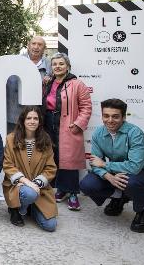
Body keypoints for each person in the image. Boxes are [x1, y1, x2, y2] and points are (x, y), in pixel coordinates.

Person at [80, 99, 144, 233]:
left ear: (123, 117)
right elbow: (95, 163)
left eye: (115, 116)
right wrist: (108, 176)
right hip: (116, 173)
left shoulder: (135, 133)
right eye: (106, 116)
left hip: (143, 174)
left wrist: (105, 164)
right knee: (87, 184)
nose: (110, 120)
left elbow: (134, 167)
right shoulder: (98, 133)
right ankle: (119, 197)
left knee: (130, 181)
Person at [42, 52, 91, 211]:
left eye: (61, 64)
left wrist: (79, 124)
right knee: (54, 156)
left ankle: (72, 193)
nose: (57, 66)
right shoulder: (48, 82)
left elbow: (86, 107)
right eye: (54, 64)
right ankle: (61, 189)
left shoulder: (77, 84)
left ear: (67, 66)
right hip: (49, 121)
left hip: (68, 124)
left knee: (68, 159)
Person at [2, 106, 57, 231]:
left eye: (35, 118)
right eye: (29, 118)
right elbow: (8, 165)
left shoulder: (45, 139)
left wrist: (36, 183)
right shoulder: (11, 139)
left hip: (39, 188)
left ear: (39, 121)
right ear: (23, 120)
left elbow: (50, 168)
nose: (32, 121)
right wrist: (26, 183)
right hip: (18, 186)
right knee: (29, 193)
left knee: (50, 226)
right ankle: (17, 209)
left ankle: (29, 206)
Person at [7, 36, 52, 133]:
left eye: (40, 45)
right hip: (15, 116)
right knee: (13, 144)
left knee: (32, 145)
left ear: (44, 48)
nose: (36, 47)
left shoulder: (50, 65)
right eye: (33, 44)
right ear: (28, 46)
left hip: (35, 117)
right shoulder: (15, 61)